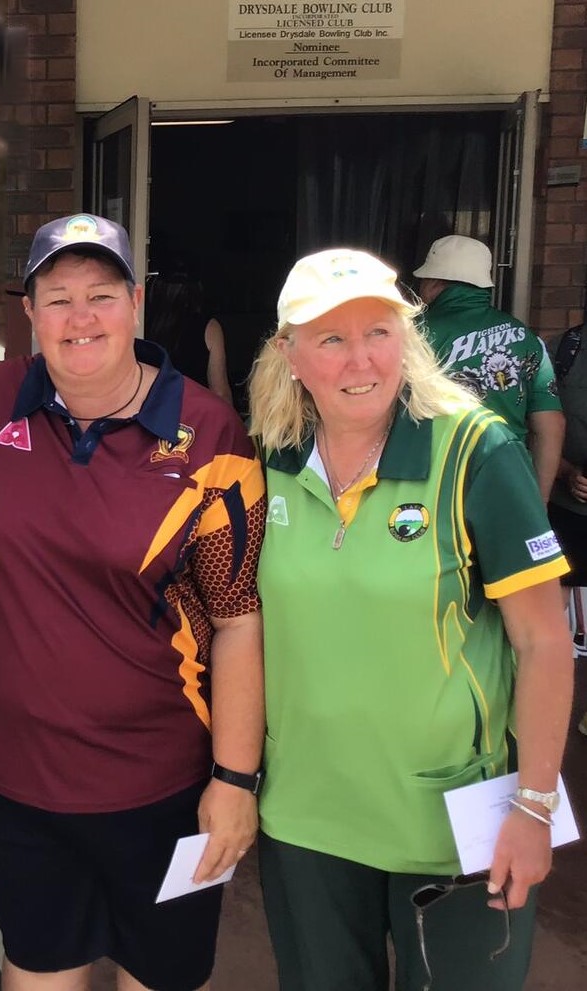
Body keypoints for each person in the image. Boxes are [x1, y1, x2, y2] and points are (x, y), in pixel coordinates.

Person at [0, 213, 265, 991]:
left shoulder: (213, 434)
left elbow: (235, 620)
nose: (79, 318)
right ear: (27, 312)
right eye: (56, 298)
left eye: (99, 294)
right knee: (39, 969)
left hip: (164, 789)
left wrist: (234, 780)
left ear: (134, 304)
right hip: (13, 783)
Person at [248, 248, 573, 991]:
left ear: (408, 335)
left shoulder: (473, 448)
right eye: (329, 338)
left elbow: (542, 637)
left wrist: (534, 802)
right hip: (307, 815)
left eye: (379, 330)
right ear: (287, 353)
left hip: (455, 821)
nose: (358, 358)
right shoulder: (269, 452)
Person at [414, 234, 564, 499]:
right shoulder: (528, 339)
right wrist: (536, 503)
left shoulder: (409, 336)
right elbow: (550, 424)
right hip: (507, 481)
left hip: (432, 485)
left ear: (433, 282)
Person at [544, 321, 587, 733]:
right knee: (548, 619)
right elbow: (538, 426)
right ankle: (544, 711)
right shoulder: (563, 350)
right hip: (566, 507)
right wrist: (567, 472)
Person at [144, 261, 233, 404]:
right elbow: (220, 392)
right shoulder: (209, 328)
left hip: (148, 413)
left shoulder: (141, 323)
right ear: (197, 289)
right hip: (193, 418)